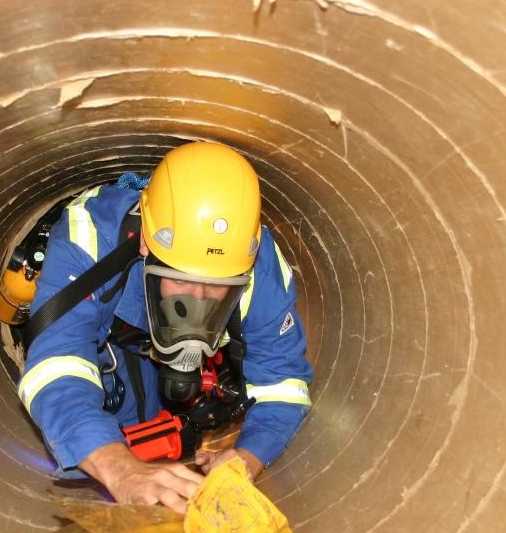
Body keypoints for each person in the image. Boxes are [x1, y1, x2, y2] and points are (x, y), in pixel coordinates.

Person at [16, 141, 312, 513]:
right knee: (105, 434)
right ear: (145, 243)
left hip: (149, 336)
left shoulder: (260, 269)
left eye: (219, 285)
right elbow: (56, 363)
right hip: (111, 337)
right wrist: (119, 468)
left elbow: (284, 384)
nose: (198, 300)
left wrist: (247, 457)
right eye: (181, 280)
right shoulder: (90, 236)